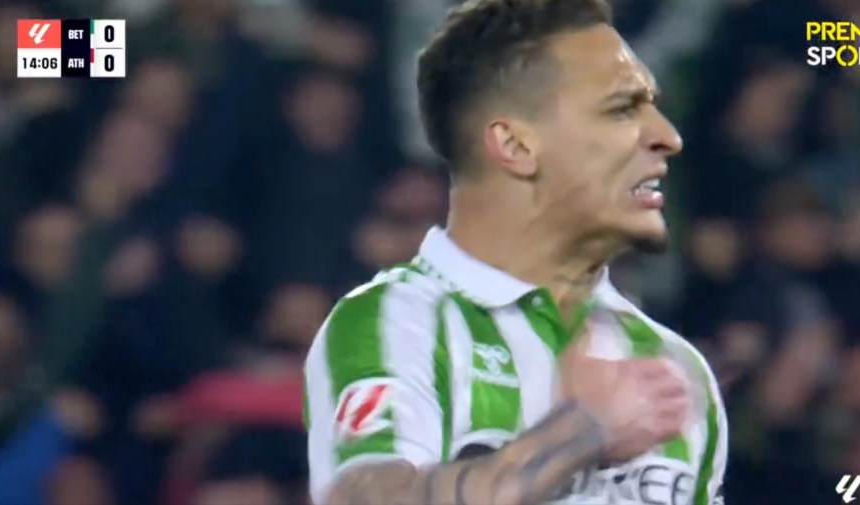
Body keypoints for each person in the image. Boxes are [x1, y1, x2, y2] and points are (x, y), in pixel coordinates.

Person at [303, 0, 728, 503]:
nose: (666, 136)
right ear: (516, 146)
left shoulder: (676, 366)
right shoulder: (400, 320)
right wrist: (579, 433)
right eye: (621, 109)